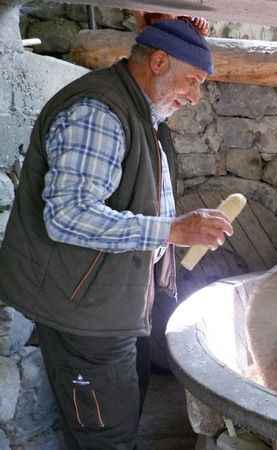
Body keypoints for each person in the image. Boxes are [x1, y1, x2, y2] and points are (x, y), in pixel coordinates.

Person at [0, 18, 232, 449]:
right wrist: (172, 230)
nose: (195, 97)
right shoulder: (99, 113)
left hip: (112, 302)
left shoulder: (140, 108)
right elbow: (68, 215)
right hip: (85, 312)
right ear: (159, 62)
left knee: (121, 418)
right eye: (193, 81)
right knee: (105, 435)